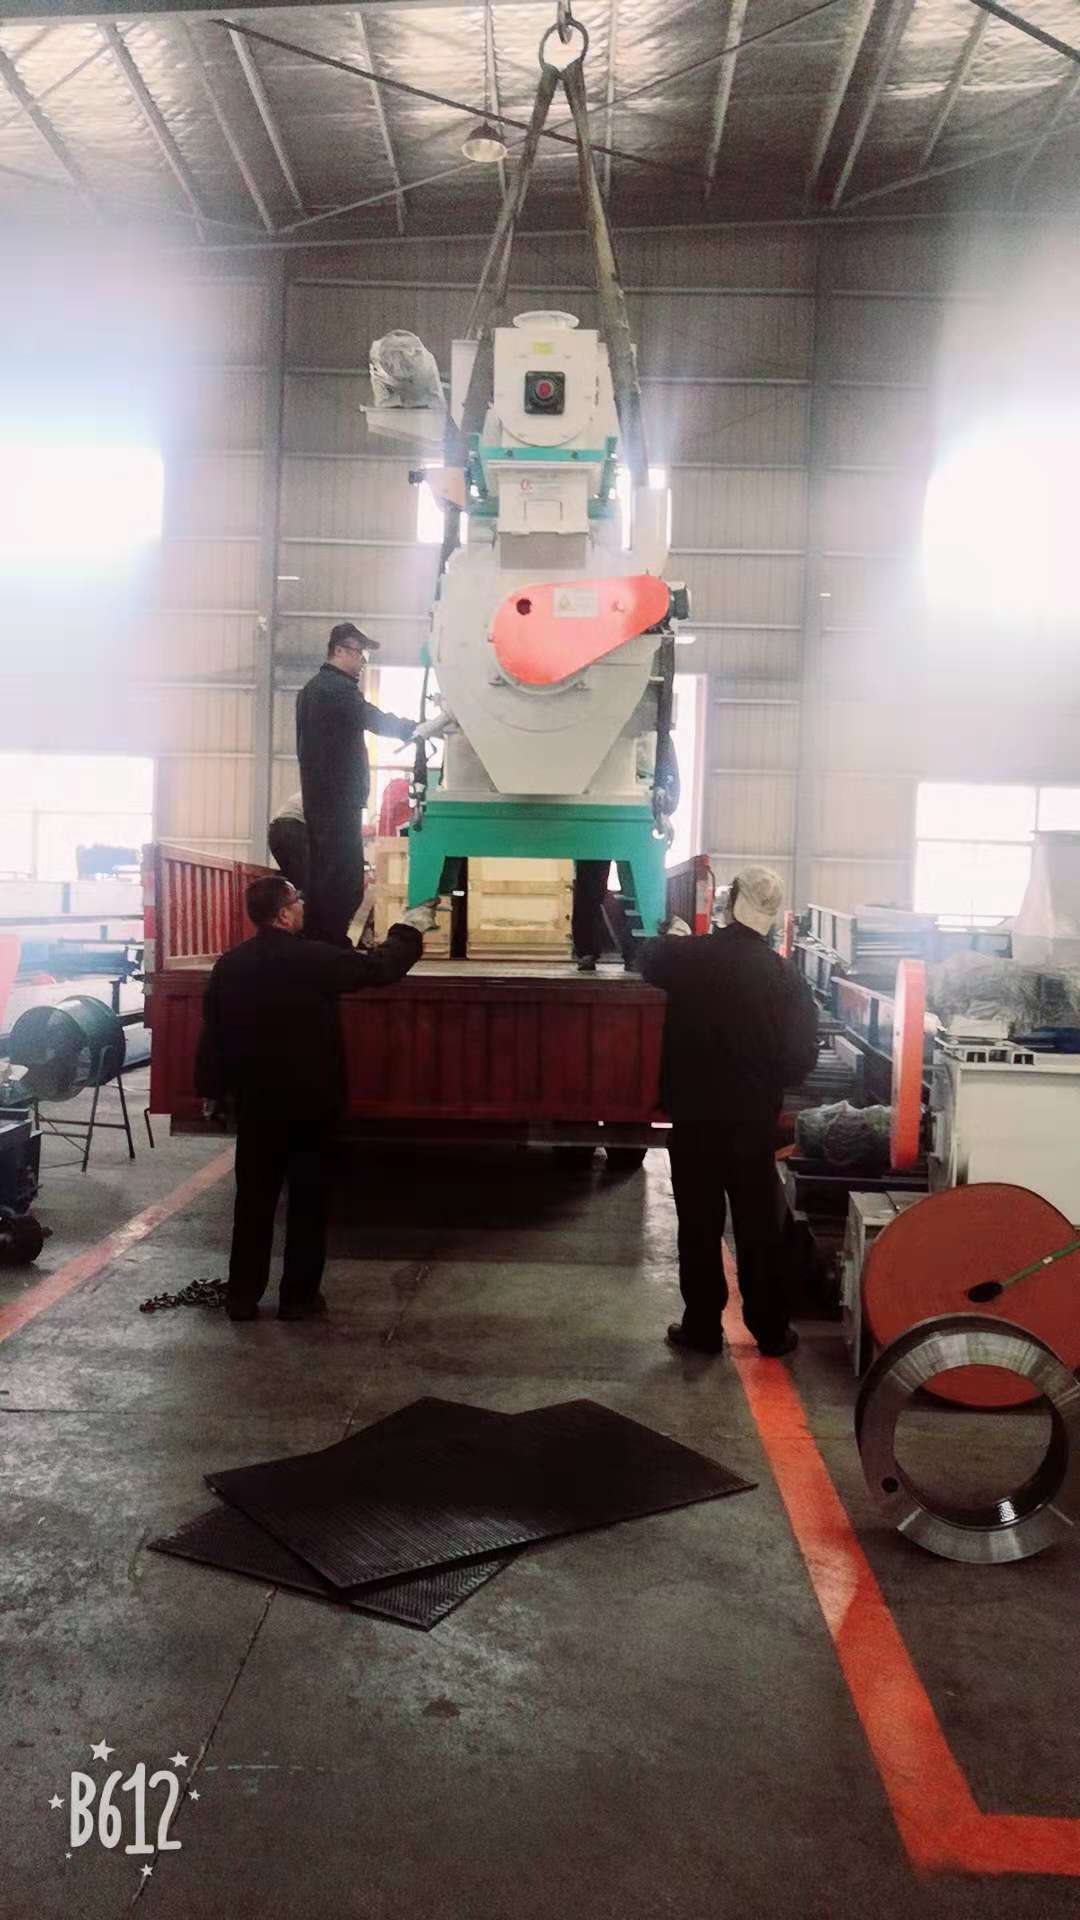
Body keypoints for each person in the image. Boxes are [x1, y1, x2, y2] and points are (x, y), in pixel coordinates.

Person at [194, 873, 437, 1323]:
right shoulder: (314, 959)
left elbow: (213, 1033)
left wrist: (211, 1091)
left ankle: (242, 1298)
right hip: (312, 1104)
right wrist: (409, 928)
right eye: (297, 899)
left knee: (254, 1201)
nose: (303, 904)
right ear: (284, 915)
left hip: (257, 1104)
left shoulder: (231, 965)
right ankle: (298, 1299)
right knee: (308, 1201)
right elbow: (380, 968)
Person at [641, 865, 819, 1360]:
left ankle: (701, 1328)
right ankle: (771, 1332)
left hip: (694, 1120)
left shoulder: (689, 958)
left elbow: (646, 957)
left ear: (730, 901)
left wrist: (677, 936)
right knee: (758, 1228)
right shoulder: (786, 977)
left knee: (698, 1226)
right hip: (752, 1124)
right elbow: (800, 1060)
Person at [296, 622, 415, 946]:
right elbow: (371, 717)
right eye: (359, 654)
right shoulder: (335, 689)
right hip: (336, 798)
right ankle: (330, 943)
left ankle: (319, 941)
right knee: (342, 875)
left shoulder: (313, 690)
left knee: (325, 872)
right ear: (339, 651)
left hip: (323, 796)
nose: (362, 662)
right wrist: (412, 729)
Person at [267, 791, 308, 893]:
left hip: (274, 831)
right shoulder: (329, 798)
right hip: (293, 828)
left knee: (293, 875)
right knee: (307, 881)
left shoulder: (307, 792)